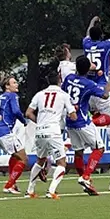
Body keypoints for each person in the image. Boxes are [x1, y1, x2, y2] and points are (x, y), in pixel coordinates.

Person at [62, 55, 110, 195]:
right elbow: (104, 96)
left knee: (78, 151)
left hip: (70, 120)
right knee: (99, 148)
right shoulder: (89, 84)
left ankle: (84, 181)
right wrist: (107, 86)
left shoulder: (69, 78)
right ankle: (86, 176)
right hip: (83, 121)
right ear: (88, 68)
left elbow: (63, 91)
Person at [24, 70, 77, 199]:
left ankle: (30, 190)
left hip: (40, 130)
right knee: (61, 162)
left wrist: (40, 122)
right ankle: (51, 191)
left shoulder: (39, 94)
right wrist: (74, 110)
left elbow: (28, 113)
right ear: (59, 80)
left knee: (40, 160)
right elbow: (73, 116)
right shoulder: (63, 95)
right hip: (53, 130)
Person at [83, 16, 110, 127]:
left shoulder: (86, 44)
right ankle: (90, 124)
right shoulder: (105, 46)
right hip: (101, 86)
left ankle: (90, 127)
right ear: (101, 36)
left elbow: (87, 34)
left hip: (88, 86)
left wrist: (92, 21)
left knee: (95, 112)